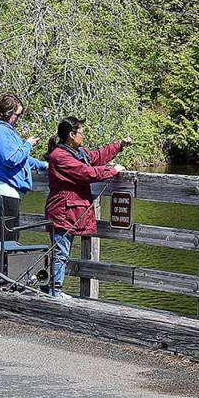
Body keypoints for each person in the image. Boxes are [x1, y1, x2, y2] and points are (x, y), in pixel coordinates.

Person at [44, 116, 131, 299]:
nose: (84, 136)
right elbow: (85, 173)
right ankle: (54, 290)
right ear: (71, 135)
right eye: (81, 132)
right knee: (60, 252)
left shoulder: (78, 152)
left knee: (61, 251)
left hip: (71, 210)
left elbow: (97, 157)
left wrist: (119, 145)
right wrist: (112, 170)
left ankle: (53, 288)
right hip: (62, 210)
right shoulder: (59, 157)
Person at [0, 95, 47, 239]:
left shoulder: (3, 131)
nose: (18, 119)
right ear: (8, 113)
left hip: (3, 191)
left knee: (1, 240)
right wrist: (28, 144)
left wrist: (43, 165)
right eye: (17, 115)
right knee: (6, 241)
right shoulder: (0, 131)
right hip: (2, 193)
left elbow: (22, 159)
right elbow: (11, 159)